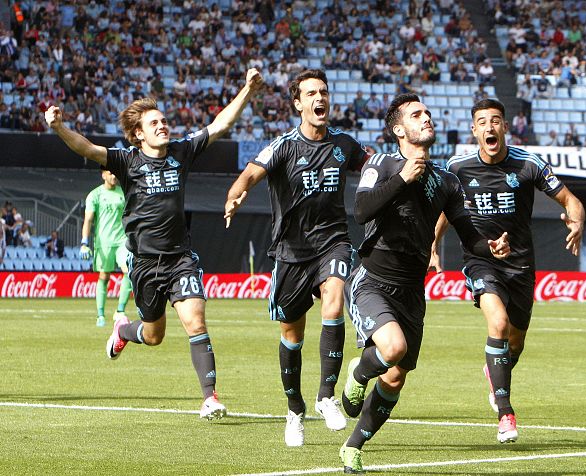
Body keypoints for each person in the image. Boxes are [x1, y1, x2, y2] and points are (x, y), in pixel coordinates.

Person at [45, 68, 263, 420]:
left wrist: (247, 91)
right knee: (153, 335)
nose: (163, 126)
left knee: (195, 321)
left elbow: (220, 126)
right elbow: (85, 147)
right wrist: (57, 127)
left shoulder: (182, 152)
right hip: (145, 264)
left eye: (164, 121)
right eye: (154, 123)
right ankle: (124, 331)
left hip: (180, 259)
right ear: (138, 135)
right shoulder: (127, 160)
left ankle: (210, 397)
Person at [337, 93, 510, 473]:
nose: (426, 118)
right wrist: (401, 178)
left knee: (396, 378)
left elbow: (467, 234)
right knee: (392, 348)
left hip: (413, 293)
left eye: (428, 113)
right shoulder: (380, 164)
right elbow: (362, 210)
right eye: (417, 114)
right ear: (399, 129)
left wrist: (490, 246)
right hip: (373, 280)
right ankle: (358, 372)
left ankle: (354, 445)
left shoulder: (446, 181)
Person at [224, 69, 368, 447]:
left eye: (323, 92)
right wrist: (236, 195)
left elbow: (372, 168)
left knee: (335, 300)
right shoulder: (284, 146)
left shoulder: (345, 144)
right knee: (292, 336)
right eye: (311, 94)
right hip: (291, 253)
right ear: (298, 104)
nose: (319, 98)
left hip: (333, 243)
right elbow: (251, 174)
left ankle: (326, 396)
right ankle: (294, 409)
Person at [430, 98, 585, 444]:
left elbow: (570, 199)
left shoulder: (528, 164)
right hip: (480, 260)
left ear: (504, 127)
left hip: (521, 266)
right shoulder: (457, 168)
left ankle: (495, 370)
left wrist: (577, 221)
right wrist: (432, 249)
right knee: (497, 324)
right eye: (482, 122)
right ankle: (506, 413)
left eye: (495, 121)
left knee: (515, 343)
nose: (489, 127)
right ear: (475, 131)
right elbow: (442, 210)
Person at [81, 170, 133, 327]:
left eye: (116, 173)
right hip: (103, 243)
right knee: (104, 277)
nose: (114, 176)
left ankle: (120, 310)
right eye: (110, 173)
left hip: (122, 241)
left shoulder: (123, 192)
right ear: (103, 175)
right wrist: (84, 242)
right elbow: (88, 220)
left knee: (129, 271)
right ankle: (100, 315)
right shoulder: (95, 195)